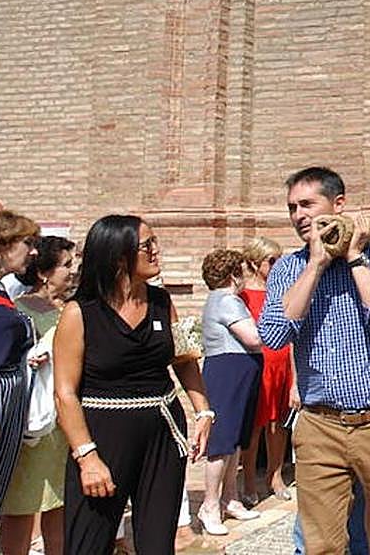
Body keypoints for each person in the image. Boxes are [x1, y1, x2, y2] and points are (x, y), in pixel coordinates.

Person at [257, 166, 370, 555]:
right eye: (292, 208)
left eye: (308, 204)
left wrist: (353, 257)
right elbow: (273, 335)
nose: (299, 215)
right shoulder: (289, 268)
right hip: (320, 425)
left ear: (338, 205)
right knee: (322, 546)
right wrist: (315, 266)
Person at [54, 215, 214, 555]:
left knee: (157, 544)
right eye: (147, 245)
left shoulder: (162, 301)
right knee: (89, 543)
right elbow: (64, 393)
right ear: (117, 255)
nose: (156, 251)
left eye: (155, 242)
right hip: (101, 437)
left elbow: (185, 359)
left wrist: (203, 411)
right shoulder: (78, 313)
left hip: (162, 433)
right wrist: (87, 458)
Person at [0, 236, 76, 555]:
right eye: (67, 264)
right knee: (23, 501)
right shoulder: (21, 310)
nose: (74, 271)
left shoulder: (75, 308)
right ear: (44, 272)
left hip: (68, 420)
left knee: (60, 504)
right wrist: (31, 360)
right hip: (36, 421)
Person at [197, 249, 264, 535]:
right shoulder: (227, 300)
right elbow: (253, 337)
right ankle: (209, 505)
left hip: (238, 369)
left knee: (236, 438)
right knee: (222, 440)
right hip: (228, 369)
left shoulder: (225, 300)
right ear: (232, 275)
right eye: (241, 272)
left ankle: (230, 498)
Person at [0, 210, 39, 540]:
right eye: (28, 242)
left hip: (8, 401)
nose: (34, 251)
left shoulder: (1, 290)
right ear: (2, 245)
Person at [238, 236, 293, 504]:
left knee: (279, 424)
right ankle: (248, 479)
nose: (277, 265)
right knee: (255, 426)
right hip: (258, 365)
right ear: (254, 262)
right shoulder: (243, 295)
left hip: (283, 363)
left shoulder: (282, 292)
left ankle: (276, 474)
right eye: (272, 260)